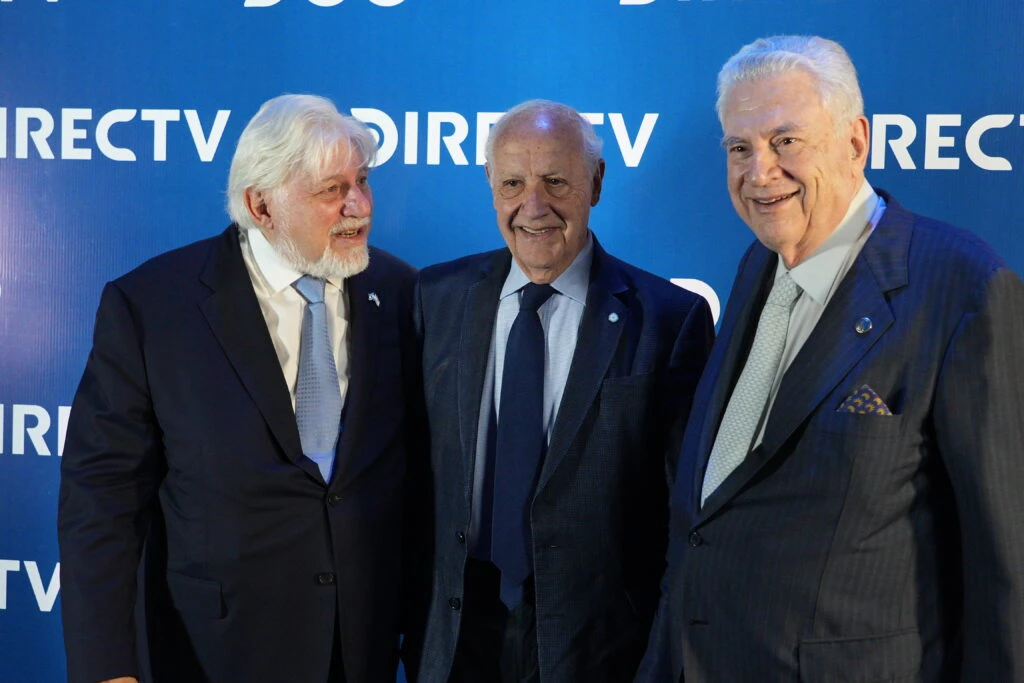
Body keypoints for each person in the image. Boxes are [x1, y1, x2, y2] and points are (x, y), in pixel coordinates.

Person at [636, 35, 1024, 682]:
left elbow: (1006, 567)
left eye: (785, 140)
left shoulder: (963, 285)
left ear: (855, 141)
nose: (759, 172)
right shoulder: (760, 261)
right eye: (739, 148)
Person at [57, 94, 422, 683]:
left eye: (362, 182)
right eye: (332, 190)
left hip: (359, 646)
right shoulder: (153, 307)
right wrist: (107, 667)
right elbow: (101, 500)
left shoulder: (402, 292)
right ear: (261, 205)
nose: (358, 206)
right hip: (212, 651)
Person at [405, 99, 714, 683]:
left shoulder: (670, 319)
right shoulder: (436, 297)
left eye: (555, 181)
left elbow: (685, 518)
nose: (534, 206)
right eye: (513, 184)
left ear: (595, 182)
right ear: (490, 185)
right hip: (454, 635)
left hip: (597, 643)